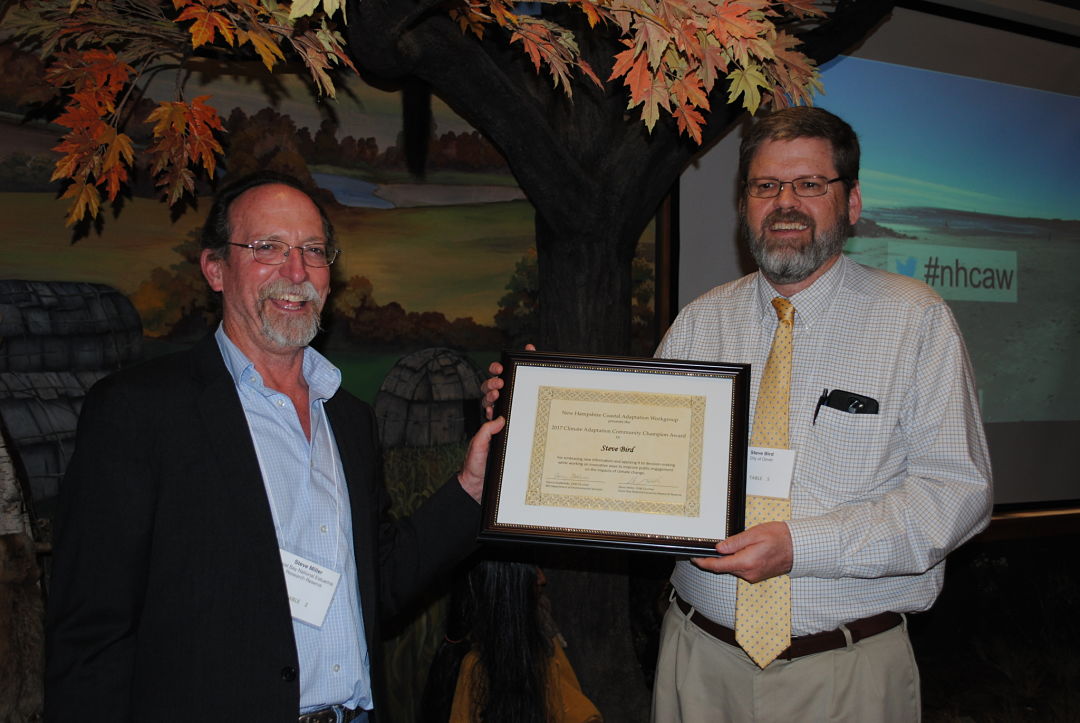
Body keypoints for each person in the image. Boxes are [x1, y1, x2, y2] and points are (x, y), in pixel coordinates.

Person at [482, 107, 992, 722]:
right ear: (744, 204)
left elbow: (954, 493)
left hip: (846, 674)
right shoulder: (701, 322)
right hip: (698, 664)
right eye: (765, 186)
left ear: (851, 203)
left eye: (809, 185)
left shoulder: (915, 320)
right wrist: (533, 420)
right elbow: (639, 465)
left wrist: (801, 546)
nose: (785, 203)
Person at [45, 171, 505, 722]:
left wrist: (472, 488)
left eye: (313, 250)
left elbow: (376, 587)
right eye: (267, 248)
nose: (296, 271)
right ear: (215, 268)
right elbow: (90, 635)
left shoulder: (350, 419)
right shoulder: (139, 412)